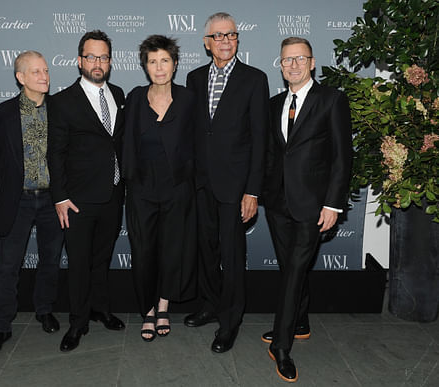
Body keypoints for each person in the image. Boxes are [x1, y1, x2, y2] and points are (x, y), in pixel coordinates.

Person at [262, 37, 352, 382]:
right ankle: (300, 321)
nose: (293, 65)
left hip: (314, 205)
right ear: (281, 65)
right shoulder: (274, 104)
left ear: (312, 63)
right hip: (278, 203)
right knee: (290, 267)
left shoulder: (332, 100)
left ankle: (281, 345)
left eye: (300, 59)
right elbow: (273, 154)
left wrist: (333, 203)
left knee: (296, 269)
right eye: (287, 60)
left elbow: (343, 157)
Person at [183, 12, 270, 353]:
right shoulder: (193, 79)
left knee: (233, 255)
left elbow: (260, 139)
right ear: (207, 43)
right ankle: (210, 304)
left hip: (236, 186)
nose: (224, 41)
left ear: (237, 39)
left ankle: (230, 321)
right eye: (217, 36)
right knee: (205, 249)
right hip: (200, 183)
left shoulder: (254, 79)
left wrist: (253, 189)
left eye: (230, 35)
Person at [0, 51, 64, 357]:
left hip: (54, 201)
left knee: (50, 260)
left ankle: (44, 309)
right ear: (20, 77)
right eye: (36, 72)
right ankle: (1, 326)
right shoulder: (0, 116)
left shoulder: (61, 111)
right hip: (16, 201)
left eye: (46, 70)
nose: (44, 76)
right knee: (8, 266)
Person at [47, 30, 126, 352]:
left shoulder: (119, 93)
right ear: (79, 60)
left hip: (113, 193)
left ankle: (101, 309)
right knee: (79, 263)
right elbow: (55, 153)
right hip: (77, 201)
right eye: (91, 56)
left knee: (101, 259)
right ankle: (77, 322)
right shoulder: (63, 101)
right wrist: (60, 197)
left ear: (110, 61)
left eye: (103, 57)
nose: (98, 63)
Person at [122, 35, 196, 342]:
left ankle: (164, 305)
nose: (159, 67)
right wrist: (129, 183)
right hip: (141, 190)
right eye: (153, 61)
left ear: (175, 64)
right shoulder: (136, 97)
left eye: (165, 60)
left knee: (171, 250)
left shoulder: (189, 99)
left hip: (178, 189)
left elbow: (198, 144)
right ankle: (148, 311)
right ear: (145, 66)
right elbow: (126, 144)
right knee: (143, 252)